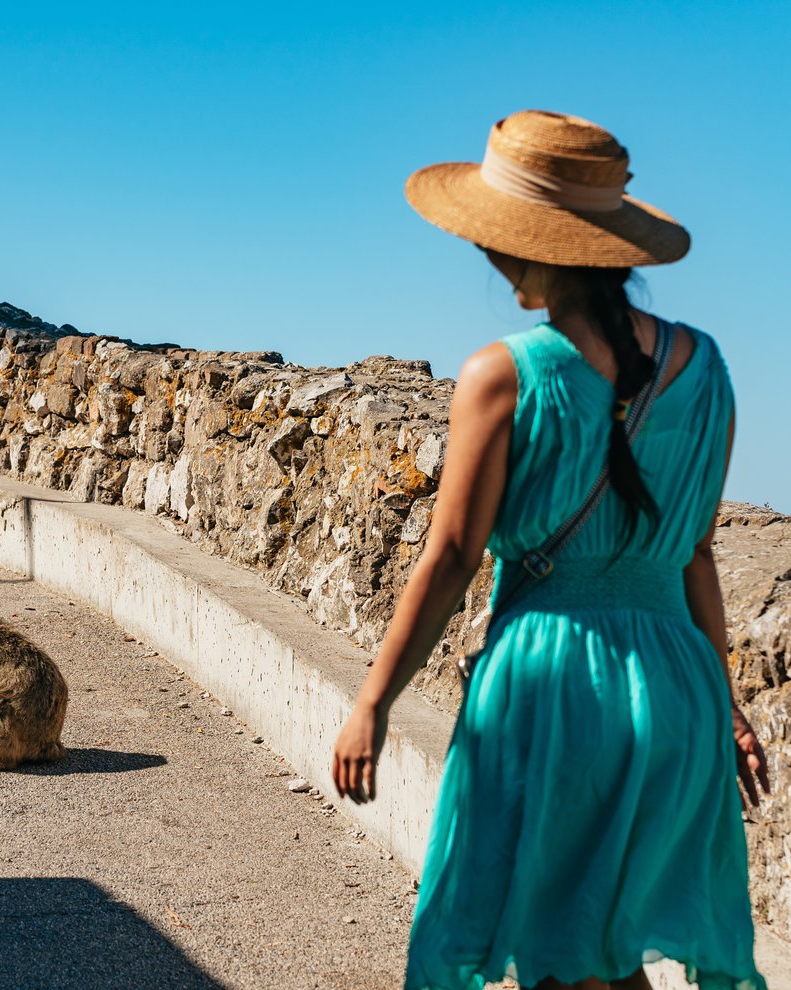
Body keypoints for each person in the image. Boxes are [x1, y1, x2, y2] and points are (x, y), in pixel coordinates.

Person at [330, 110, 769, 990]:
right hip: (677, 685)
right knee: (601, 954)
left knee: (563, 961)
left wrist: (372, 702)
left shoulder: (505, 373)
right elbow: (697, 556)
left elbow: (453, 555)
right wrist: (722, 705)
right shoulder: (707, 366)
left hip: (557, 684)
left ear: (515, 244)